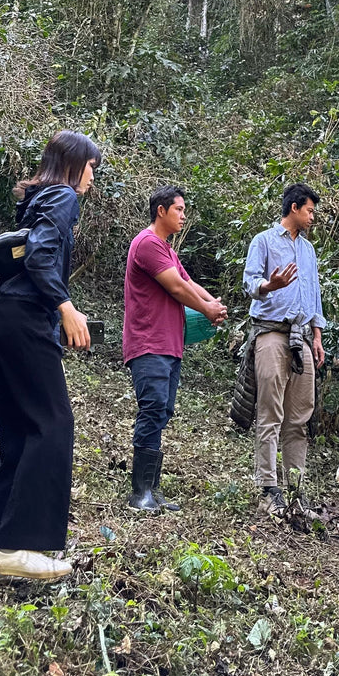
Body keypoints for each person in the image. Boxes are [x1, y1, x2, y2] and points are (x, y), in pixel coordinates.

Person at [0, 129, 101, 584]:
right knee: (53, 423)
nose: (91, 178)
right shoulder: (63, 196)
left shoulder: (36, 197)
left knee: (19, 434)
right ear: (75, 164)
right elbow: (42, 257)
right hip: (26, 316)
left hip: (2, 316)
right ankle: (15, 546)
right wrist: (66, 308)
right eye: (91, 167)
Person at [122, 185, 227, 512]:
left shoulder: (167, 250)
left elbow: (189, 282)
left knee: (162, 411)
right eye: (179, 209)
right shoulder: (148, 243)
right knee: (152, 408)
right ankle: (140, 493)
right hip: (148, 342)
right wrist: (206, 310)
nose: (183, 215)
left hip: (169, 344)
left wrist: (212, 302)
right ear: (161, 211)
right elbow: (177, 287)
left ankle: (152, 489)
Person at [242, 183, 326, 515]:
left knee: (300, 418)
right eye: (309, 210)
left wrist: (317, 336)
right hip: (271, 334)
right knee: (270, 413)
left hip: (302, 338)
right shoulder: (263, 242)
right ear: (293, 208)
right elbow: (249, 283)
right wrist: (269, 285)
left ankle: (296, 491)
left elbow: (315, 296)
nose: (312, 216)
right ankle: (267, 489)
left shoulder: (308, 251)